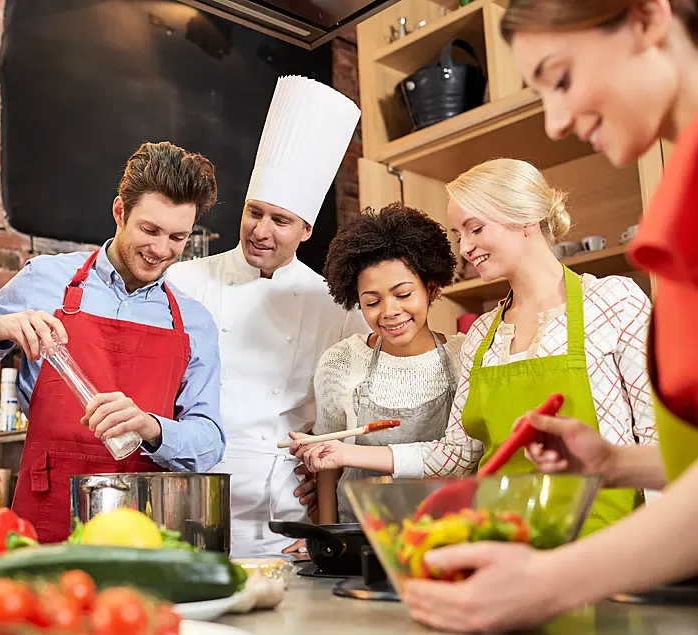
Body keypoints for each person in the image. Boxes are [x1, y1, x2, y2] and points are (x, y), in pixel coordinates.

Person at [399, 1, 698, 630]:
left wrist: (552, 581)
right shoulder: (678, 210)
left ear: (647, 18)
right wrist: (613, 464)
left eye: (560, 77)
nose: (556, 122)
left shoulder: (616, 300)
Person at [0, 141, 225, 543]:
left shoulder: (193, 322)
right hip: (45, 517)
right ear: (119, 212)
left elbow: (210, 440)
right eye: (149, 230)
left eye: (177, 237)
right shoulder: (44, 279)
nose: (161, 250)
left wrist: (152, 427)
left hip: (142, 529)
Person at [381, 159, 655, 538]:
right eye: (459, 235)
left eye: (475, 229)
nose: (466, 248)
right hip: (501, 539)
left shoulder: (613, 303)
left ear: (525, 218)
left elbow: (656, 434)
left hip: (602, 543)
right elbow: (458, 453)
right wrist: (344, 455)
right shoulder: (481, 335)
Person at [166, 75, 366, 557]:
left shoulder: (336, 302)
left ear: (306, 229)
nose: (260, 231)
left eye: (280, 221)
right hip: (189, 495)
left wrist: (323, 483)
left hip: (283, 508)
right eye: (254, 212)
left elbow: (354, 414)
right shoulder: (184, 282)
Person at [289, 203, 464, 524]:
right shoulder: (341, 362)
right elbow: (330, 464)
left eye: (403, 294)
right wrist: (329, 536)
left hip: (445, 532)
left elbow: (466, 454)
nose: (389, 311)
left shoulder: (463, 356)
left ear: (431, 288)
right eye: (372, 301)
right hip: (360, 531)